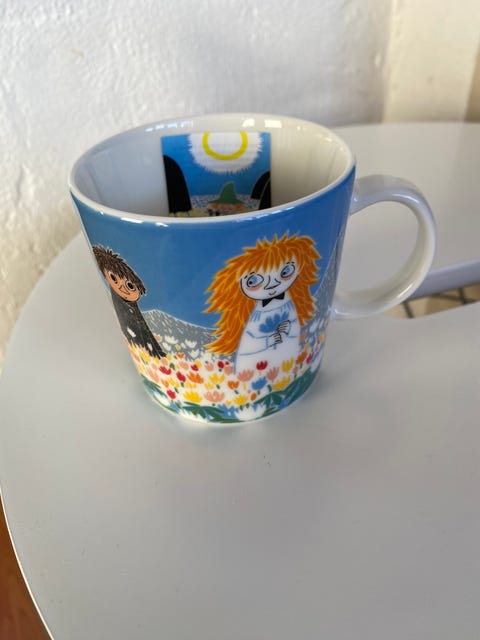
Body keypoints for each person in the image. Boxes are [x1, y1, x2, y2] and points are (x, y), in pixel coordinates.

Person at [206, 233, 320, 372]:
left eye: (286, 272)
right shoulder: (255, 315)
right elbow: (249, 341)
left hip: (288, 362)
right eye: (253, 281)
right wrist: (269, 340)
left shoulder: (290, 304)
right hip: (253, 368)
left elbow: (294, 329)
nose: (273, 284)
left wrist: (287, 331)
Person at [92, 245, 166, 358]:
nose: (122, 288)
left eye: (130, 286)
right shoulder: (121, 305)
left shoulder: (134, 311)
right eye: (114, 279)